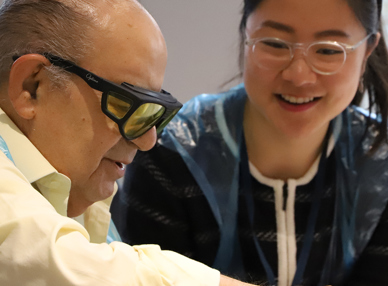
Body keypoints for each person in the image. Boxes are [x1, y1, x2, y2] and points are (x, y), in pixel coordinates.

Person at [111, 0, 388, 285]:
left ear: (368, 50)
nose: (299, 75)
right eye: (275, 43)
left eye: (329, 50)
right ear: (245, 36)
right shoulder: (171, 153)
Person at [0, 0, 257, 285]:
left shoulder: (73, 188)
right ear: (31, 86)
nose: (147, 141)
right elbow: (47, 258)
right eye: (127, 105)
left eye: (157, 114)